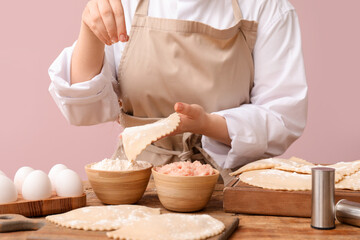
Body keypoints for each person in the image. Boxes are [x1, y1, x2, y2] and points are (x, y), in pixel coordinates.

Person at [48, 0, 307, 185]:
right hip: (136, 183)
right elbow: (83, 109)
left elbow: (283, 117)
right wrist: (90, 32)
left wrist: (208, 124)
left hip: (228, 185)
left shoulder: (267, 7)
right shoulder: (124, 3)